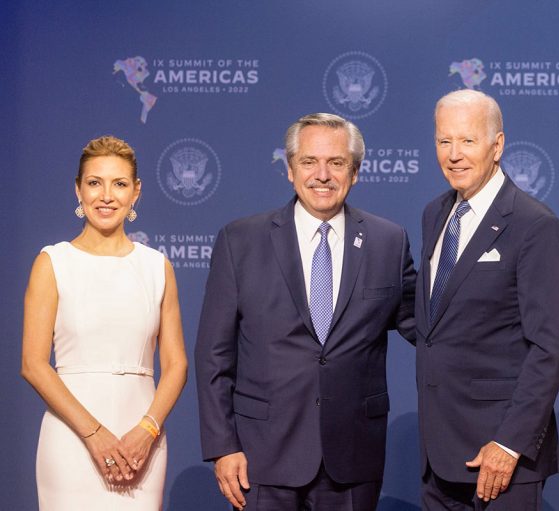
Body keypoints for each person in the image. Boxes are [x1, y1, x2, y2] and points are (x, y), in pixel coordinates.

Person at [195, 113, 416, 511]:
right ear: (290, 169)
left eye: (336, 163)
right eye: (309, 161)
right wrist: (223, 445)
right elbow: (214, 354)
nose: (322, 175)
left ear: (355, 172)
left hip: (353, 457)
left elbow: (430, 330)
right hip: (261, 456)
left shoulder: (388, 241)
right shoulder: (240, 241)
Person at [415, 89, 559, 510]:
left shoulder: (534, 225)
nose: (454, 155)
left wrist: (509, 442)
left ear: (497, 145)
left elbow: (550, 348)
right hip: (438, 456)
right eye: (444, 141)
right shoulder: (435, 214)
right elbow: (436, 323)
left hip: (501, 457)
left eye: (467, 140)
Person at [21, 135, 188, 510]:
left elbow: (176, 364)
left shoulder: (156, 267)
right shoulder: (53, 262)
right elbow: (33, 364)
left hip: (143, 443)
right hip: (70, 441)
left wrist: (146, 431)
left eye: (120, 184)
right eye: (95, 183)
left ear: (136, 192)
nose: (106, 196)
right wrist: (94, 434)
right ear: (78, 190)